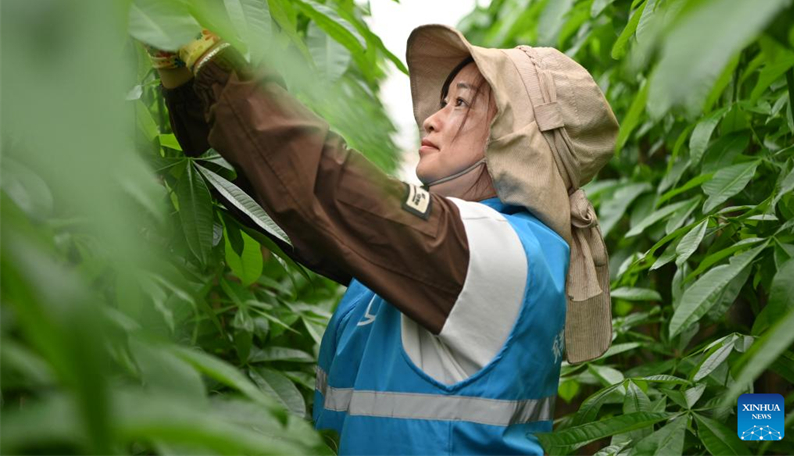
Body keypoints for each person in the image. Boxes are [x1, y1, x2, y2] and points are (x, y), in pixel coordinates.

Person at [148, 23, 619, 455]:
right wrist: (181, 76)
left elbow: (328, 186)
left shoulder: (504, 252)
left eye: (461, 103)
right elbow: (274, 193)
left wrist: (209, 55)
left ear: (516, 139)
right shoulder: (453, 248)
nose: (432, 119)